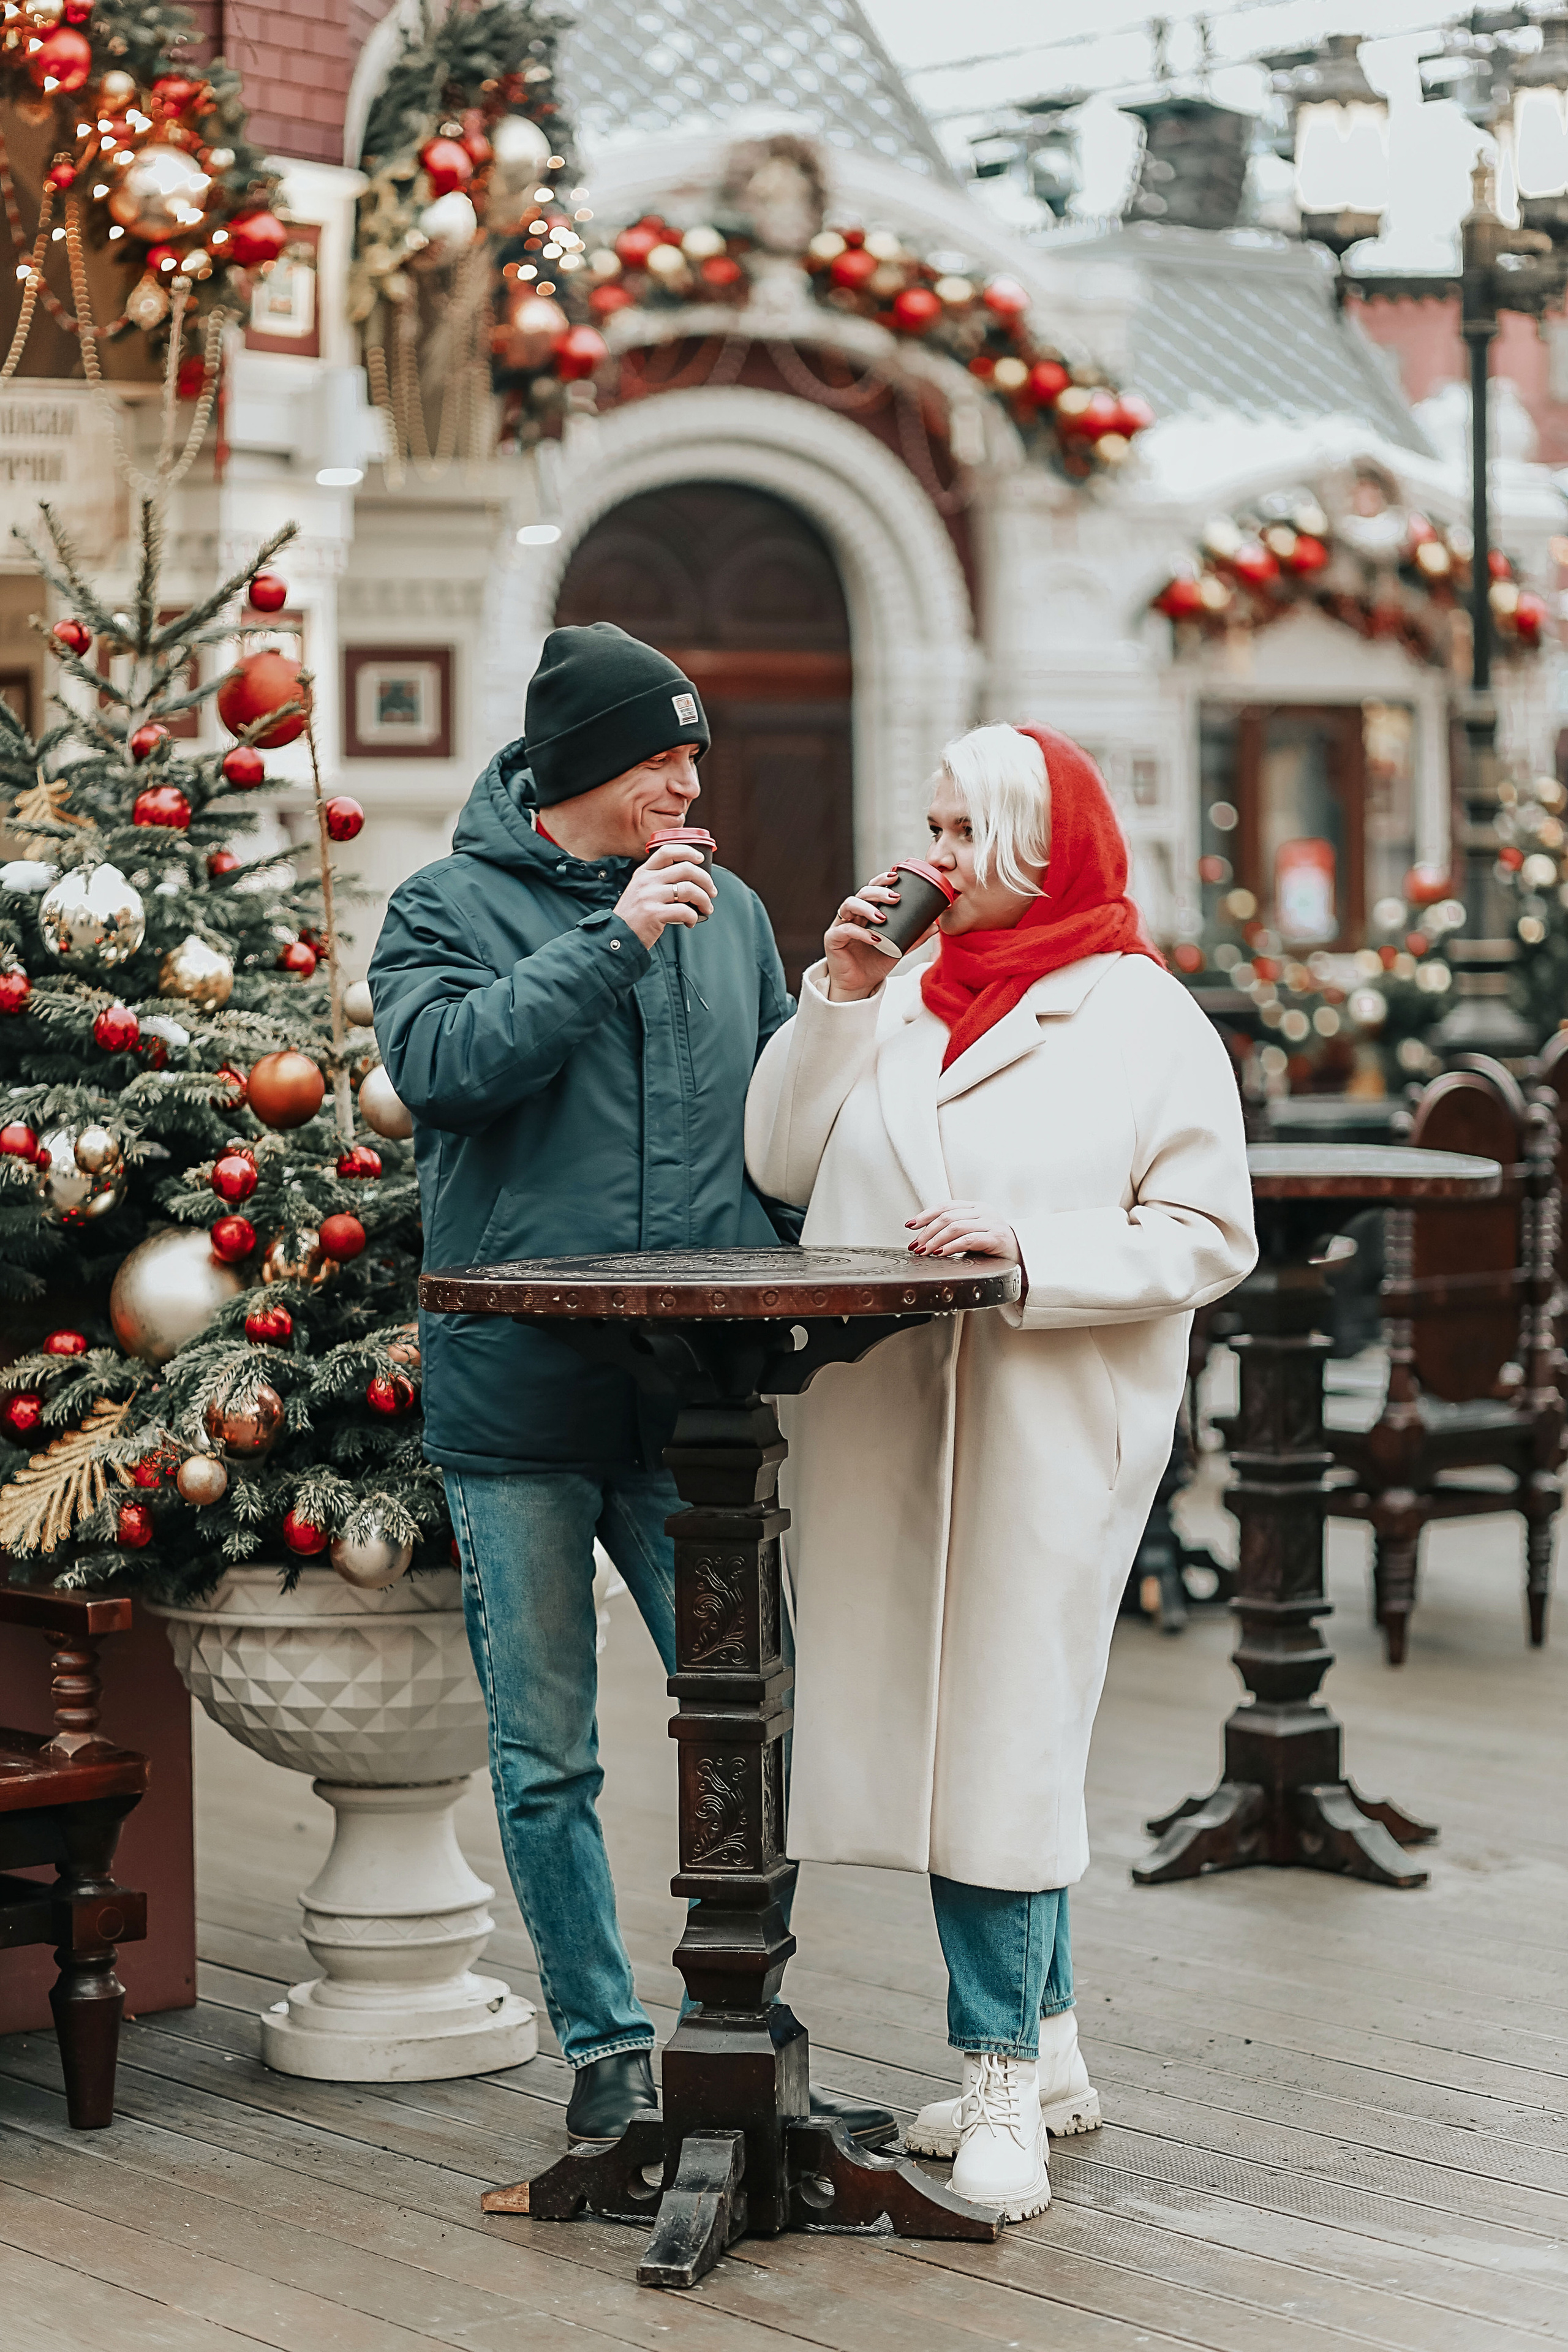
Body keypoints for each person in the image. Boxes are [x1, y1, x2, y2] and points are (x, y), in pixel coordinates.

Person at [368, 622, 893, 2151]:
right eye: (663, 754)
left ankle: (734, 2033)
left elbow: (779, 1126)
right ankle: (605, 2053)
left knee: (760, 1721)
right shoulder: (442, 905)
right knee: (547, 1758)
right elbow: (446, 1067)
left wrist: (850, 1022)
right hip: (521, 1399)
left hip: (698, 1412)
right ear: (583, 767)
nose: (686, 779)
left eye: (691, 756)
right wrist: (614, 944)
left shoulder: (728, 913)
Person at [744, 722, 1256, 2218]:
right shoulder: (894, 997)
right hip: (884, 1418)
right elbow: (782, 1166)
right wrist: (833, 999)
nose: (930, 860)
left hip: (1048, 1425)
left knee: (1003, 1742)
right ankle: (1055, 2046)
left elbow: (1205, 1234)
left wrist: (1028, 1250)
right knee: (972, 1735)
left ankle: (996, 2092)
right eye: (931, 825)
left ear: (1036, 844)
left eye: (962, 833)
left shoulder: (1142, 1016)